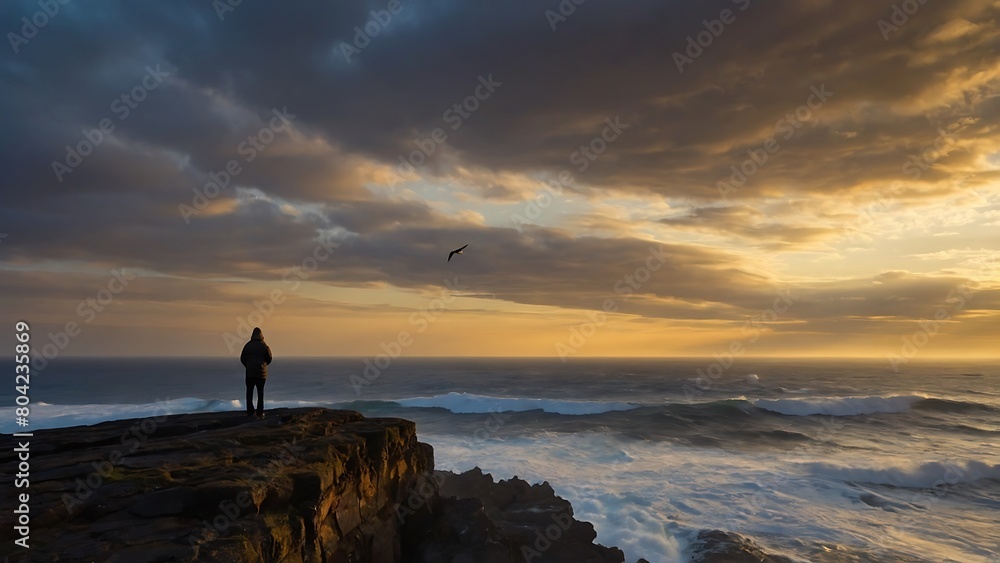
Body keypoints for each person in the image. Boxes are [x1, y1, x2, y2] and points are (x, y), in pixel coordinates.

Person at [240, 327, 273, 418]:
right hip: (261, 373)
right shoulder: (264, 345)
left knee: (249, 392)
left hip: (250, 373)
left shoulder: (248, 345)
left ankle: (250, 412)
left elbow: (242, 358)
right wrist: (264, 365)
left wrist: (248, 366)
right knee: (260, 393)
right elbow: (269, 358)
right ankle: (260, 412)